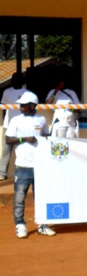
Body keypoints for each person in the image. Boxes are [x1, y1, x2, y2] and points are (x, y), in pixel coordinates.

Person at [5, 91, 55, 238]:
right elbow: (8, 140)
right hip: (22, 166)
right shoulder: (15, 120)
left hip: (39, 166)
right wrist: (24, 139)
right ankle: (20, 224)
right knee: (20, 197)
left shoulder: (41, 120)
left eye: (24, 105)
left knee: (41, 197)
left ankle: (42, 224)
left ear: (32, 106)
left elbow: (46, 136)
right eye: (21, 104)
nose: (20, 106)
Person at [0, 73, 27, 180]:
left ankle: (20, 173)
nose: (15, 81)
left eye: (18, 79)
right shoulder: (7, 92)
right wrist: (5, 122)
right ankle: (2, 173)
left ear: (22, 81)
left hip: (22, 126)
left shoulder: (26, 93)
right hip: (8, 125)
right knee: (6, 150)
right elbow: (3, 108)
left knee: (22, 150)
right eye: (14, 79)